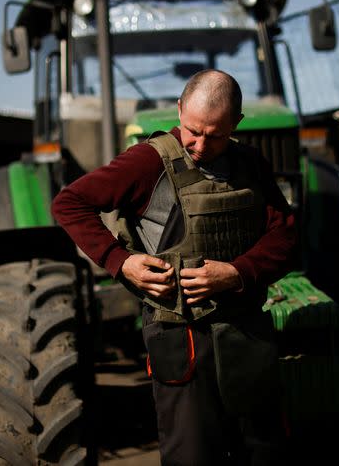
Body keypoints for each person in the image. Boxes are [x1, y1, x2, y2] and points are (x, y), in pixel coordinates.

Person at [52, 69, 296, 465]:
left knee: (264, 453)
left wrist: (236, 272)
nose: (199, 145)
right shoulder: (148, 162)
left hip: (246, 337)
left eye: (214, 135)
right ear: (180, 110)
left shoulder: (251, 164)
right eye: (192, 130)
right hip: (181, 340)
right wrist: (121, 261)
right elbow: (69, 203)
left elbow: (286, 238)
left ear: (236, 124)